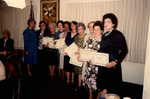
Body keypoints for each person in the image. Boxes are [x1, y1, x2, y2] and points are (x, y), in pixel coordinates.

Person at [97, 13, 128, 98]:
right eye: (104, 22)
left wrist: (115, 62)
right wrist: (94, 59)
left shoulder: (118, 34)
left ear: (113, 23)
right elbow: (101, 49)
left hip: (112, 64)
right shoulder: (104, 35)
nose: (105, 24)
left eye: (108, 22)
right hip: (103, 64)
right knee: (103, 86)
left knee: (111, 87)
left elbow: (124, 50)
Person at [80, 21, 104, 99]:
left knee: (98, 82)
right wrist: (80, 56)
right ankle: (90, 95)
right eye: (94, 29)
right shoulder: (90, 38)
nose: (95, 31)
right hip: (89, 65)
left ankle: (98, 96)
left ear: (101, 30)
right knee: (89, 81)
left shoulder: (103, 40)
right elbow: (84, 49)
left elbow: (105, 53)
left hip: (98, 66)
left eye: (97, 29)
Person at [73, 22, 86, 91]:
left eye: (81, 29)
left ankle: (84, 85)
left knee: (83, 70)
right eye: (78, 29)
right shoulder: (76, 37)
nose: (80, 31)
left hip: (84, 56)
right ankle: (79, 84)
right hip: (76, 56)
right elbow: (74, 46)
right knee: (78, 71)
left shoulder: (87, 36)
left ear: (84, 29)